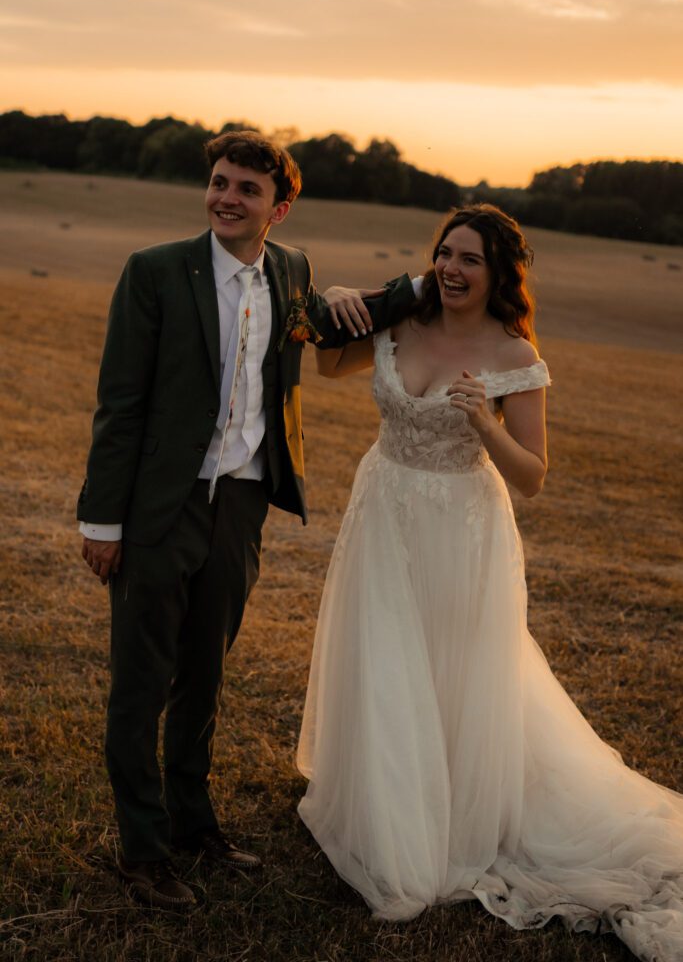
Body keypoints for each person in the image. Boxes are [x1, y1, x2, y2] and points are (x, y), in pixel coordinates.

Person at [297, 204, 683, 960]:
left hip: (462, 527)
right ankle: (389, 799)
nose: (451, 268)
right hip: (383, 511)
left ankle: (448, 815)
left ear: (497, 273)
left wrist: (483, 422)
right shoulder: (401, 318)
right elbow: (327, 362)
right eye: (445, 252)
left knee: (456, 671)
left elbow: (532, 478)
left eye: (469, 259)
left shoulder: (513, 350)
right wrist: (340, 302)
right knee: (383, 661)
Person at [78, 130, 417, 909]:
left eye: (246, 189)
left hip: (239, 504)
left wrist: (430, 283)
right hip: (158, 508)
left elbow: (335, 326)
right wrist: (103, 520)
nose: (226, 197)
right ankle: (143, 852)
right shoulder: (155, 271)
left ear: (281, 207)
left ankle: (195, 826)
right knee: (140, 684)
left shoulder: (292, 272)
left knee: (204, 673)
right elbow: (119, 401)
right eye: (220, 182)